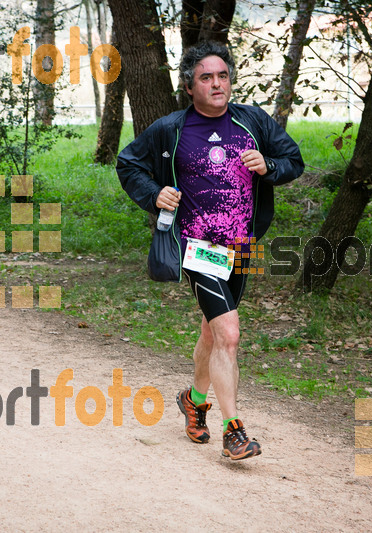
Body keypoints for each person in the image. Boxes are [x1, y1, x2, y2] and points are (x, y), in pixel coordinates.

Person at [116, 41, 304, 460]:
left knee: (212, 330)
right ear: (189, 86)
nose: (217, 84)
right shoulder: (171, 128)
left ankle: (193, 400)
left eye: (222, 75)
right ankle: (233, 430)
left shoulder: (254, 121)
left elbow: (293, 160)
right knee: (230, 334)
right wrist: (154, 194)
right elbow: (128, 162)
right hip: (198, 246)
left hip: (241, 245)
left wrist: (269, 166)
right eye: (206, 77)